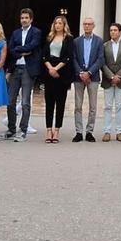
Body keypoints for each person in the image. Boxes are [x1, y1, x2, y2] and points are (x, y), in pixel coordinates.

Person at [5, 8, 42, 142]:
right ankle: (11, 129)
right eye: (22, 18)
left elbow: (33, 46)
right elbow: (10, 49)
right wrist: (21, 51)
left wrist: (18, 49)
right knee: (10, 101)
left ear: (31, 19)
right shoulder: (15, 33)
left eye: (26, 18)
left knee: (25, 102)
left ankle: (23, 130)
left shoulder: (36, 32)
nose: (24, 20)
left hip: (28, 68)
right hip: (15, 68)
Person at [40, 15, 74, 144]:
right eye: (56, 23)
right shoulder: (49, 37)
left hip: (62, 73)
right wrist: (50, 68)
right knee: (49, 103)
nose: (58, 25)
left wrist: (56, 69)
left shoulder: (69, 38)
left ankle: (57, 130)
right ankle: (49, 130)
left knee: (60, 103)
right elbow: (44, 55)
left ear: (64, 25)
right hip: (49, 72)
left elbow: (68, 56)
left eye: (60, 23)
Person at [71, 16, 104, 143]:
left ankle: (90, 131)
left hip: (93, 77)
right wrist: (81, 73)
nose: (87, 26)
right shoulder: (76, 41)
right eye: (85, 24)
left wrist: (89, 73)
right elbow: (73, 58)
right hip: (78, 77)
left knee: (93, 106)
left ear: (93, 26)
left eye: (89, 24)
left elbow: (100, 59)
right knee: (78, 106)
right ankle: (79, 132)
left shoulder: (99, 41)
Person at [100, 22, 121, 142]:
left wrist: (118, 76)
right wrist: (111, 76)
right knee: (107, 107)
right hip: (108, 80)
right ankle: (107, 131)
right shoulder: (104, 46)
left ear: (120, 32)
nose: (112, 32)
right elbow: (102, 62)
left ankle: (119, 132)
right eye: (111, 30)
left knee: (119, 107)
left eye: (115, 30)